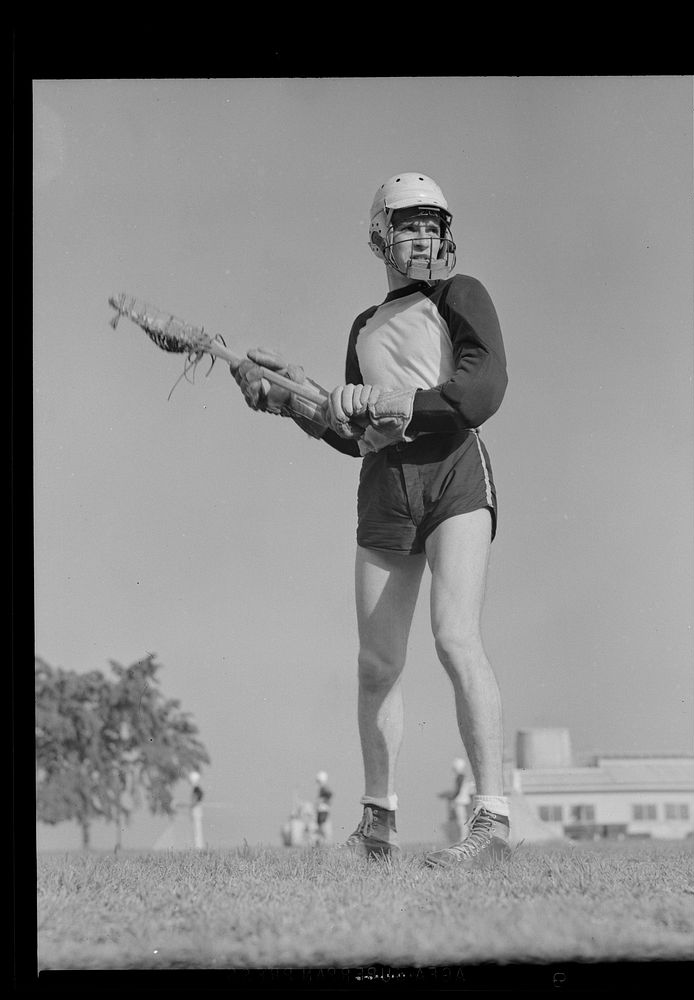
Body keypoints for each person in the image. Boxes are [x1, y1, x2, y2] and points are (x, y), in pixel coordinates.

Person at [231, 172, 510, 870]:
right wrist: (290, 402)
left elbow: (481, 389)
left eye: (432, 224)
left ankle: (493, 820)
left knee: (454, 638)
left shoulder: (460, 294)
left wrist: (396, 404)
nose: (423, 236)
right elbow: (352, 433)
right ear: (379, 233)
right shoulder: (362, 325)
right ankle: (377, 827)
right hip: (383, 485)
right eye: (408, 223)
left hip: (451, 471)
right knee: (376, 665)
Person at [315, 771, 333, 844]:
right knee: (320, 825)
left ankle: (325, 840)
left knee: (322, 826)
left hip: (323, 809)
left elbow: (329, 794)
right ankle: (322, 840)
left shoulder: (324, 787)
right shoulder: (323, 787)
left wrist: (322, 800)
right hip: (322, 809)